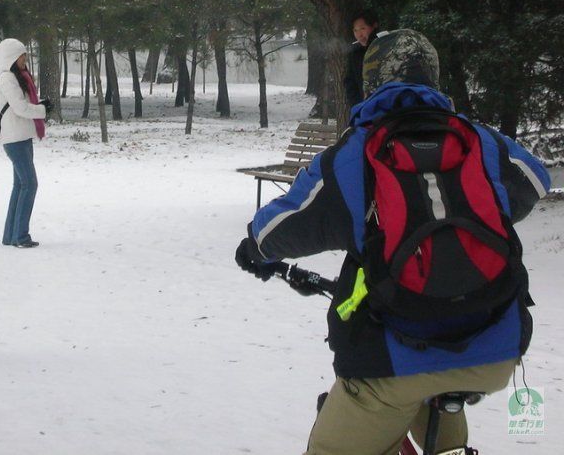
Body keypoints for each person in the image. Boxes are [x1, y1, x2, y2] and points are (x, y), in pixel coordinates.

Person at [235, 29, 551, 455]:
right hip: (496, 347)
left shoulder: (353, 155)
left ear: (371, 81)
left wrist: (253, 248)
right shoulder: (484, 142)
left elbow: (278, 230)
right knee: (434, 393)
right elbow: (536, 179)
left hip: (394, 356)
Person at [0, 38, 51, 248]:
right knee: (30, 183)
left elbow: (25, 105)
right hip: (14, 138)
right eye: (22, 56)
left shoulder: (18, 77)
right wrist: (43, 110)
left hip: (22, 135)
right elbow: (20, 108)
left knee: (20, 185)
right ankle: (21, 236)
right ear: (11, 57)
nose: (25, 59)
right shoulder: (8, 79)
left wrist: (40, 105)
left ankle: (11, 235)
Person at [343, 10, 380, 111]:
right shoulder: (355, 54)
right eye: (355, 30)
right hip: (364, 112)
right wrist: (358, 106)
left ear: (374, 26)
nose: (359, 34)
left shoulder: (385, 48)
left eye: (363, 28)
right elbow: (350, 83)